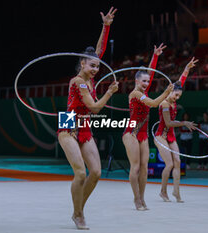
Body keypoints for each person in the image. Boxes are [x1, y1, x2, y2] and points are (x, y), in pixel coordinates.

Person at [57, 7, 118, 230]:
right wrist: (109, 92)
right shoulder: (78, 81)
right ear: (81, 64)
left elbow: (98, 51)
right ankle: (78, 213)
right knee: (81, 173)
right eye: (91, 65)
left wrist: (106, 25)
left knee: (97, 172)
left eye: (97, 67)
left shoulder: (91, 77)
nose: (95, 69)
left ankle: (77, 210)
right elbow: (93, 107)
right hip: (68, 124)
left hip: (84, 126)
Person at [122, 43, 174, 211]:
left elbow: (151, 73)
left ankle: (142, 199)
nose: (145, 83)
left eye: (146, 81)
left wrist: (155, 56)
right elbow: (152, 104)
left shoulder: (143, 91)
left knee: (144, 168)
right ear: (136, 81)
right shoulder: (135, 94)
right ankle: (136, 199)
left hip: (143, 134)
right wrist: (166, 93)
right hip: (131, 132)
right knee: (135, 167)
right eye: (142, 81)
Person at [154, 57, 198, 203]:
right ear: (170, 91)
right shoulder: (165, 103)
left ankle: (176, 192)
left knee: (178, 162)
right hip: (161, 135)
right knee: (170, 164)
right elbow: (168, 122)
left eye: (180, 95)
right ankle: (163, 191)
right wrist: (184, 123)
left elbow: (181, 81)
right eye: (176, 95)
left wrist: (187, 68)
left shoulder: (174, 94)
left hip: (171, 135)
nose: (177, 97)